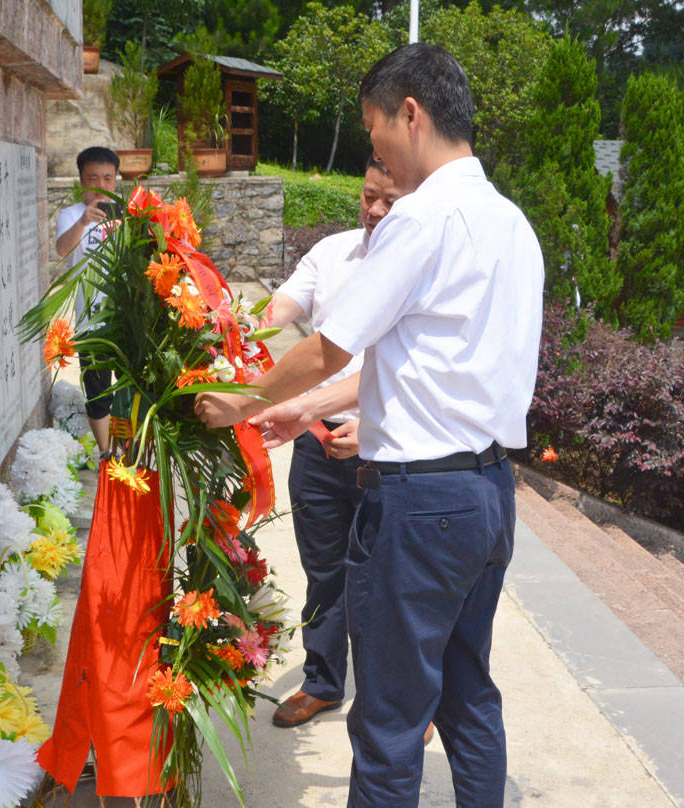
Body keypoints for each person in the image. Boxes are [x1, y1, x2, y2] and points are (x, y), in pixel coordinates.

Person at [196, 43, 543, 808]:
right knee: (467, 694)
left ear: (409, 113)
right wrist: (297, 411)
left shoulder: (423, 219)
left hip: (420, 508)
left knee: (387, 722)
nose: (375, 151)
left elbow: (327, 347)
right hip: (487, 493)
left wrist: (245, 400)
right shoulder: (511, 222)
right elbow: (425, 368)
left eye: (374, 130)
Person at [266, 156, 401, 729]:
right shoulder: (331, 253)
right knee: (325, 570)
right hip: (317, 442)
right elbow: (277, 312)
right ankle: (323, 680)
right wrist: (230, 330)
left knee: (392, 579)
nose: (373, 210)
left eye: (387, 202)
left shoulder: (417, 265)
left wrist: (369, 424)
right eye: (367, 196)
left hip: (390, 450)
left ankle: (400, 699)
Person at [55, 146, 120, 456]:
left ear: (116, 180)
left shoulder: (127, 213)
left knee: (131, 386)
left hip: (125, 315)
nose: (101, 185)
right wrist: (83, 222)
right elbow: (62, 251)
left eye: (108, 178)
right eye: (93, 178)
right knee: (98, 389)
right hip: (90, 319)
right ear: (81, 180)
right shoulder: (69, 215)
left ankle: (132, 447)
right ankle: (107, 452)